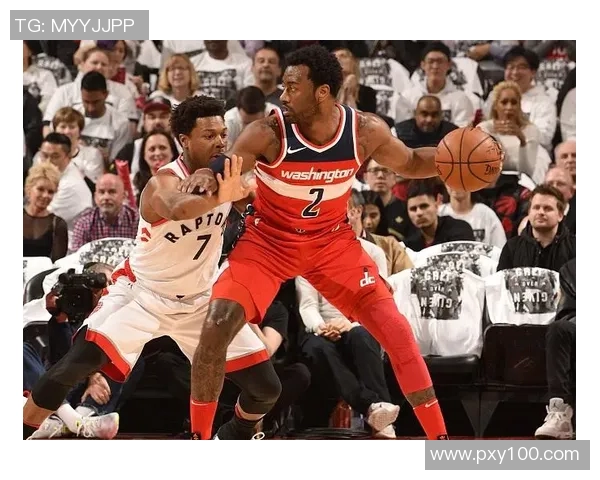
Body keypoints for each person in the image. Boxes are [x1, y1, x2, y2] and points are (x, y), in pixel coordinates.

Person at [179, 45, 450, 440]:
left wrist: (452, 160)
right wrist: (208, 172)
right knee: (216, 325)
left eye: (292, 87)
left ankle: (440, 440)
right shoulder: (268, 131)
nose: (282, 95)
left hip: (331, 244)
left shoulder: (363, 130)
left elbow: (409, 162)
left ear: (322, 92)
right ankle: (199, 441)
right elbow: (229, 163)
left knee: (397, 331)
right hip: (269, 243)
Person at [23, 96, 282, 441]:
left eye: (223, 134)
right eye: (208, 136)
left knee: (266, 388)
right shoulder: (162, 182)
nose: (220, 142)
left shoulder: (227, 177)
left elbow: (263, 207)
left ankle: (227, 438)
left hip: (200, 301)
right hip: (142, 294)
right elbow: (178, 208)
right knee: (73, 366)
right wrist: (225, 194)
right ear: (184, 140)